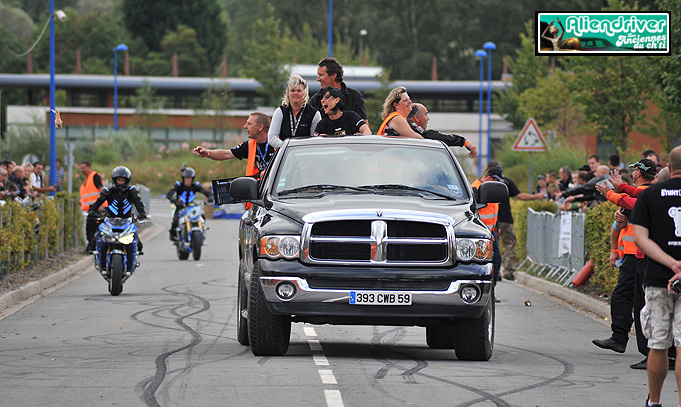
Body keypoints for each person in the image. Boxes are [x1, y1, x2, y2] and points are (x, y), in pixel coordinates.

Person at [632, 146, 681, 407]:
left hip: (657, 278)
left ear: (668, 168)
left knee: (658, 342)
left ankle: (655, 402)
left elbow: (640, 238)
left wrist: (672, 263)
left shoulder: (650, 195)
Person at [592, 159, 656, 357]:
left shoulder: (647, 194)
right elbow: (620, 221)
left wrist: (611, 194)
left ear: (638, 172)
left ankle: (623, 339)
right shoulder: (652, 193)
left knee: (625, 297)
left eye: (635, 169)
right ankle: (648, 347)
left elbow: (629, 203)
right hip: (645, 256)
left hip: (637, 256)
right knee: (644, 300)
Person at [486, 161, 543, 280]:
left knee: (490, 247)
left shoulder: (481, 184)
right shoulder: (506, 182)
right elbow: (520, 196)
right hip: (505, 220)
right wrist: (536, 197)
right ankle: (507, 270)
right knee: (509, 245)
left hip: (489, 221)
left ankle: (494, 271)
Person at [89, 166, 147, 271]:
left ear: (127, 181)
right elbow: (98, 202)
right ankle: (98, 258)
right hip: (110, 220)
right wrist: (92, 211)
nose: (120, 182)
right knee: (97, 238)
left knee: (138, 243)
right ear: (114, 180)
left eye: (123, 180)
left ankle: (132, 262)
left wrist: (142, 214)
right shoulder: (108, 191)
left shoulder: (132, 191)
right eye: (118, 180)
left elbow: (139, 204)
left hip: (127, 221)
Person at [193, 112, 275, 180]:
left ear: (260, 127)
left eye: (249, 124)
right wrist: (207, 153)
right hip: (260, 192)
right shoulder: (249, 145)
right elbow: (226, 154)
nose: (245, 126)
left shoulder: (278, 143)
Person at [268, 74, 322, 148]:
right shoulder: (280, 111)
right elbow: (271, 138)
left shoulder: (314, 114)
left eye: (299, 91)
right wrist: (286, 148)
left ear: (305, 93)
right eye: (292, 90)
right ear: (288, 93)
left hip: (305, 154)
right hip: (285, 155)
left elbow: (315, 140)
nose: (295, 93)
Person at [309, 57, 368, 123]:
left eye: (321, 75)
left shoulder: (355, 96)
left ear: (334, 75)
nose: (318, 79)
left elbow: (364, 124)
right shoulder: (315, 100)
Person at [407, 103, 478, 158]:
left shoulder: (406, 126)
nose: (428, 118)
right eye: (426, 115)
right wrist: (463, 141)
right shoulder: (409, 125)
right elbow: (429, 135)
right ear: (417, 118)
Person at [471, 167, 502, 285]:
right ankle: (489, 291)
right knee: (491, 261)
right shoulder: (476, 188)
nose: (498, 184)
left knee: (495, 260)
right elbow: (475, 213)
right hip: (483, 233)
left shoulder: (489, 187)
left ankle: (490, 291)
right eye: (496, 181)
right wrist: (487, 233)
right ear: (489, 178)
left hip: (491, 231)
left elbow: (491, 207)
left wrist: (496, 224)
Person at [166, 166, 212, 241]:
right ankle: (173, 234)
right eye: (186, 178)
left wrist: (210, 197)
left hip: (191, 205)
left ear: (192, 179)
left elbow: (206, 192)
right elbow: (169, 195)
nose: (188, 180)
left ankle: (202, 230)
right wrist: (175, 201)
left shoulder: (195, 186)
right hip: (180, 206)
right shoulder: (178, 186)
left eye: (189, 178)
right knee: (176, 219)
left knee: (202, 215)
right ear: (183, 178)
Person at [80, 161, 107, 253]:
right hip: (91, 209)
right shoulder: (87, 180)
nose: (81, 170)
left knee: (95, 229)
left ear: (89, 167)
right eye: (81, 168)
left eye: (83, 168)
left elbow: (102, 190)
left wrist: (102, 205)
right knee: (90, 229)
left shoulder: (95, 176)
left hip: (97, 209)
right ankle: (91, 247)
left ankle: (93, 247)